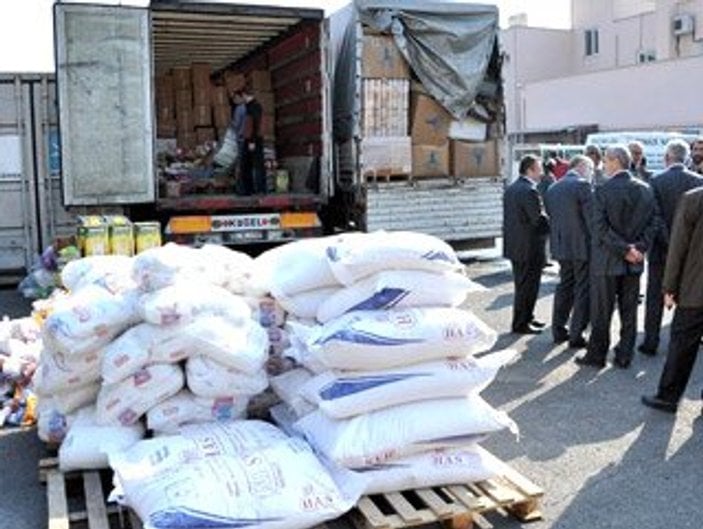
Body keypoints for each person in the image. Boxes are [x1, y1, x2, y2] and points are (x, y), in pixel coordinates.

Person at [576, 145, 657, 369]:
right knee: (629, 311)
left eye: (605, 160)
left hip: (607, 262)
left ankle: (597, 355)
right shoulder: (645, 189)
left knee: (602, 312)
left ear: (615, 161)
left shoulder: (602, 190)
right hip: (634, 262)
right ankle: (624, 355)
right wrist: (637, 249)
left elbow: (599, 229)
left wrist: (625, 250)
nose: (603, 164)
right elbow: (654, 223)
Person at [641, 187, 703, 412]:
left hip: (695, 290)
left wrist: (669, 287)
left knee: (682, 345)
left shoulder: (694, 198)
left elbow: (678, 247)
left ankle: (668, 397)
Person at [639, 140, 703, 356]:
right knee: (690, 296)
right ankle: (686, 341)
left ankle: (650, 341)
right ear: (686, 158)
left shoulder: (655, 181)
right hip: (692, 253)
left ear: (667, 158)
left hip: (660, 250)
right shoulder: (698, 182)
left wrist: (667, 241)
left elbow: (653, 217)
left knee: (655, 297)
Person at [544, 155, 594, 348]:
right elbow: (591, 220)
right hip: (582, 247)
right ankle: (576, 333)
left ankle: (558, 330)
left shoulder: (553, 187)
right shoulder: (582, 185)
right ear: (581, 167)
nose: (591, 174)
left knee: (564, 286)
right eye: (590, 169)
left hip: (561, 246)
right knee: (582, 289)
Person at [503, 154, 550, 334]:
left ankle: (527, 317)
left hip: (516, 246)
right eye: (539, 169)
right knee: (528, 287)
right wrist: (551, 225)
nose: (542, 173)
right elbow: (537, 220)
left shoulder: (512, 188)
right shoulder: (529, 190)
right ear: (530, 169)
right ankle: (521, 323)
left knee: (522, 286)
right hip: (529, 248)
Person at [237, 87, 266, 195]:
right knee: (247, 164)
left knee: (256, 165)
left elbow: (255, 125)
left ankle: (259, 190)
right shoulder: (251, 106)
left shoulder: (254, 106)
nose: (242, 98)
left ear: (245, 95)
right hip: (250, 139)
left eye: (242, 96)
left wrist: (252, 141)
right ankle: (249, 190)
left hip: (253, 139)